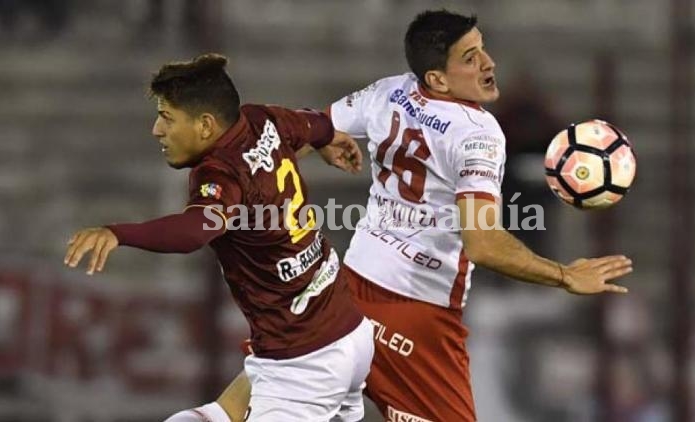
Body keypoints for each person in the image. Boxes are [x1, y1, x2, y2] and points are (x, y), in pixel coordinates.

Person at [210, 9, 634, 422]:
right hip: (414, 313)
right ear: (437, 78)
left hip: (342, 289)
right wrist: (564, 275)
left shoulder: (387, 92)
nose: (488, 64)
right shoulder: (477, 133)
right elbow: (484, 245)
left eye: (482, 50)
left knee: (239, 406)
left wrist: (292, 157)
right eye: (470, 58)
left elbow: (302, 131)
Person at [64, 53, 374, 422]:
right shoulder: (263, 119)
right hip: (347, 332)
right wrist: (330, 138)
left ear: (206, 125)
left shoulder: (220, 172)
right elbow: (313, 124)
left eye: (166, 117)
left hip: (305, 362)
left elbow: (194, 230)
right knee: (219, 414)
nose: (156, 130)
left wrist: (117, 233)